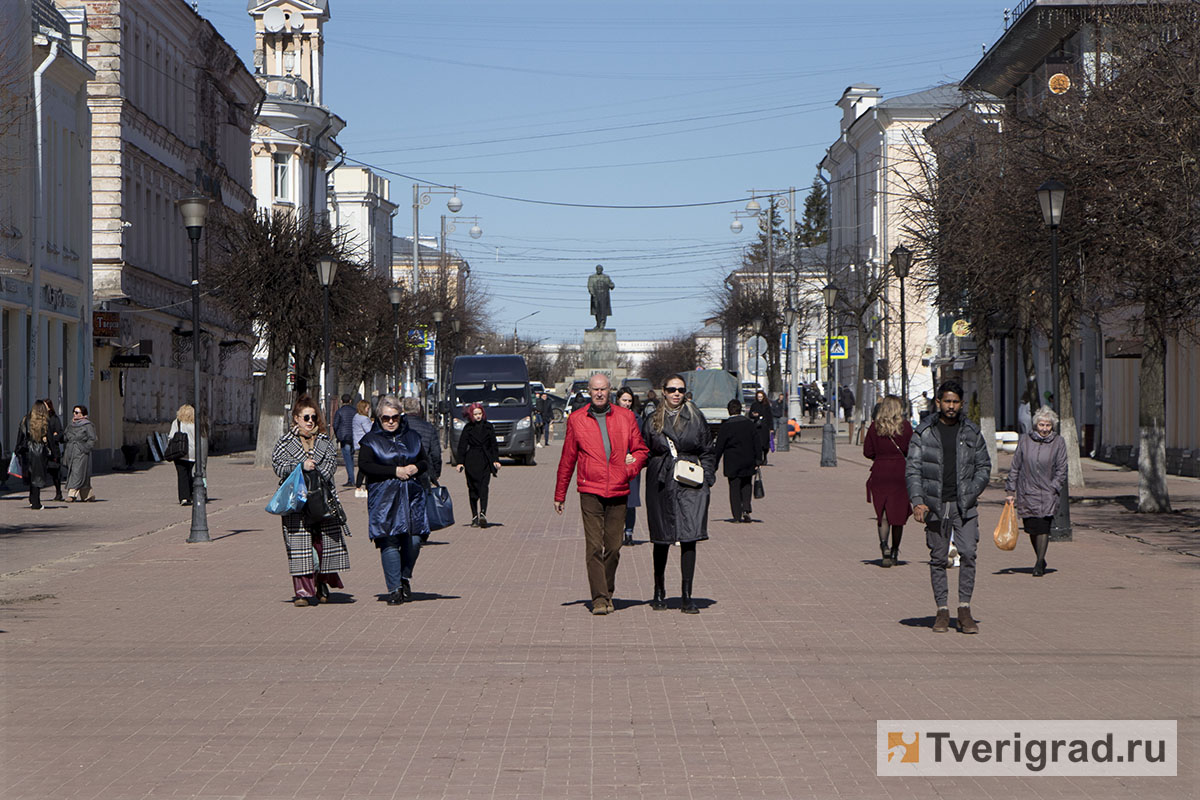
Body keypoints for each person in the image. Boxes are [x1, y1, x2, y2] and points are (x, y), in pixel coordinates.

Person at [554, 372, 648, 615]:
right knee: (594, 546)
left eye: (603, 389)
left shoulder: (626, 417)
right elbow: (568, 459)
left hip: (618, 489)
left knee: (614, 547)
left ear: (610, 391)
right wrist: (560, 493)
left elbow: (641, 450)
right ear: (589, 391)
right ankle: (599, 598)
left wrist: (630, 469)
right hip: (590, 490)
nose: (599, 393)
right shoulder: (577, 419)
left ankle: (607, 589)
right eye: (595, 389)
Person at [905, 380, 991, 634]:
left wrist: (972, 491)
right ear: (938, 403)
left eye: (955, 402)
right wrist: (918, 501)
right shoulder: (924, 432)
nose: (951, 406)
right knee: (938, 558)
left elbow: (983, 466)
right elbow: (913, 470)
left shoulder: (971, 432)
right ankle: (942, 610)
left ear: (961, 404)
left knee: (968, 553)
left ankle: (964, 608)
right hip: (935, 505)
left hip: (964, 505)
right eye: (947, 401)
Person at [641, 374, 716, 614]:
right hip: (661, 482)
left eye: (680, 390)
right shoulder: (653, 419)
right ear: (663, 391)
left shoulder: (695, 417)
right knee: (661, 537)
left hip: (690, 483)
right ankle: (659, 590)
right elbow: (643, 449)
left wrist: (708, 477)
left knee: (689, 536)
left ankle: (686, 595)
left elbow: (707, 449)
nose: (676, 394)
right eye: (672, 389)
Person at [270, 396, 351, 607]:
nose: (310, 421)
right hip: (296, 502)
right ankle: (302, 592)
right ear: (296, 418)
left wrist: (318, 469)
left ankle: (322, 582)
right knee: (299, 547)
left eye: (313, 417)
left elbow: (332, 464)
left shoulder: (324, 441)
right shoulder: (285, 443)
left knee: (323, 544)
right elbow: (278, 466)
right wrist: (300, 465)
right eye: (306, 417)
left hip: (322, 499)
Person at [358, 394, 429, 605]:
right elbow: (365, 465)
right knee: (388, 539)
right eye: (386, 418)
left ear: (401, 417)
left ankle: (404, 577)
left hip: (412, 497)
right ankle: (394, 589)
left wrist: (416, 467)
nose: (390, 422)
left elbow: (424, 460)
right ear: (379, 418)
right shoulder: (371, 440)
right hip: (384, 499)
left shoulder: (412, 437)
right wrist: (394, 471)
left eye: (394, 418)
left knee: (414, 539)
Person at [1005, 405, 1068, 577]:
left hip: (1047, 492)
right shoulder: (1025, 441)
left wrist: (1054, 486)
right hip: (1027, 492)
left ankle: (1039, 562)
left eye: (1048, 425)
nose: (1045, 429)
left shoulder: (1058, 442)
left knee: (1043, 527)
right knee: (1031, 528)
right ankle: (1040, 556)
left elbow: (1062, 468)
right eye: (1042, 425)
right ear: (1035, 425)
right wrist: (1010, 490)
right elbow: (1015, 466)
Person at [863, 395, 914, 567]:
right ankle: (894, 550)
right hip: (900, 473)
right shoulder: (905, 427)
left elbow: (867, 452)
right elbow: (911, 450)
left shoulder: (874, 427)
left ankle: (883, 544)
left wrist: (880, 456)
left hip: (880, 472)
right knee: (898, 515)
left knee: (883, 513)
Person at [713, 399, 758, 523]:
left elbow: (719, 447)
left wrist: (714, 463)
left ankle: (737, 515)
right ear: (740, 410)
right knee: (747, 484)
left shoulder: (726, 426)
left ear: (729, 411)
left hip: (732, 461)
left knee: (734, 487)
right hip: (748, 459)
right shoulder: (749, 424)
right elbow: (756, 442)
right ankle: (747, 509)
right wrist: (758, 459)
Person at [456, 402, 500, 527]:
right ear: (471, 415)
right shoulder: (468, 428)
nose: (478, 416)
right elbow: (462, 446)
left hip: (486, 460)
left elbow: (493, 445)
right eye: (475, 414)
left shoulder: (488, 427)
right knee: (473, 489)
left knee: (484, 488)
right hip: (471, 461)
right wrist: (460, 462)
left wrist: (496, 460)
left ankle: (483, 513)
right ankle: (474, 515)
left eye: (480, 414)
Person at [615, 387, 642, 545]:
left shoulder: (637, 418)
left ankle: (629, 532)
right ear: (618, 399)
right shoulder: (610, 416)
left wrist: (636, 457)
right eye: (624, 400)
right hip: (614, 464)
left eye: (629, 401)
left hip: (631, 465)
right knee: (616, 501)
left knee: (630, 502)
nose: (626, 403)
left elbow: (642, 442)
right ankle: (615, 533)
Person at [15, 402, 53, 509]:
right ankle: (36, 502)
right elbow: (49, 438)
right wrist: (55, 453)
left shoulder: (25, 420)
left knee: (31, 476)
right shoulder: (44, 421)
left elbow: (20, 436)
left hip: (27, 451)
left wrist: (17, 449)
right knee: (38, 477)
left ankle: (32, 499)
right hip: (39, 452)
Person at [167, 404, 204, 506]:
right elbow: (199, 438)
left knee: (181, 474)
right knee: (189, 473)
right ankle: (191, 494)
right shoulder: (195, 424)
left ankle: (184, 497)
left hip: (180, 452)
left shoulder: (177, 423)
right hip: (192, 453)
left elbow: (171, 436)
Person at [63, 404, 98, 502]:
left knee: (77, 472)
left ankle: (72, 494)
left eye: (77, 412)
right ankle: (87, 495)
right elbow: (65, 435)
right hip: (71, 451)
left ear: (83, 414)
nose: (74, 414)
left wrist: (85, 448)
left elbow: (92, 438)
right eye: (74, 412)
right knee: (82, 473)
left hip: (81, 451)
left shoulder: (87, 425)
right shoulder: (71, 424)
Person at [40, 399, 65, 501]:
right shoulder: (39, 419)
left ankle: (58, 492)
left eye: (45, 406)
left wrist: (52, 437)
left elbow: (59, 434)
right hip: (41, 450)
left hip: (53, 450)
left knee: (55, 472)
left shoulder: (54, 419)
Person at [331, 393, 357, 487]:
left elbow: (335, 424)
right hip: (353, 437)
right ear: (350, 401)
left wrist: (338, 436)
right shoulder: (355, 411)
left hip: (344, 437)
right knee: (351, 457)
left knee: (348, 459)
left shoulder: (339, 412)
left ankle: (351, 479)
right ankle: (352, 478)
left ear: (341, 401)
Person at [351, 399, 373, 497]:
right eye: (367, 408)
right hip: (365, 444)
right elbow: (369, 431)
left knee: (362, 466)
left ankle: (359, 486)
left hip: (358, 442)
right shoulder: (364, 419)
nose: (368, 410)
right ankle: (364, 487)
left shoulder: (356, 417)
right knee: (367, 466)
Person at [748, 389, 773, 466]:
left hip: (764, 427)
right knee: (758, 443)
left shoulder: (766, 405)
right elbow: (750, 415)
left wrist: (771, 428)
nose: (760, 398)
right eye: (758, 397)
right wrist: (754, 415)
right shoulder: (754, 405)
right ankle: (758, 458)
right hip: (757, 426)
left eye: (761, 397)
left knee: (765, 444)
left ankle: (765, 457)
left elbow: (770, 417)